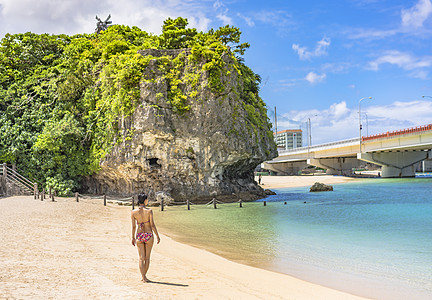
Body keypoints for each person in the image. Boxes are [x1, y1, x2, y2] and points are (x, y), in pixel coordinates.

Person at [131, 193, 160, 282]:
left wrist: (133, 237)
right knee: (147, 258)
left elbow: (133, 227)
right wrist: (157, 236)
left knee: (141, 258)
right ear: (144, 200)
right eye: (147, 199)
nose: (148, 201)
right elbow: (152, 225)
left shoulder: (133, 212)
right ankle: (144, 276)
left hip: (139, 235)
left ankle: (143, 277)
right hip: (148, 235)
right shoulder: (149, 211)